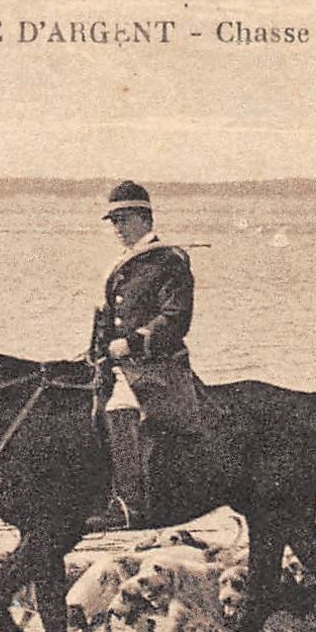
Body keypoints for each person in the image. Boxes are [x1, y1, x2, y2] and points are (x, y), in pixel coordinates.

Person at [85, 181, 204, 530]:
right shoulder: (124, 263)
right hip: (118, 366)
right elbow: (108, 316)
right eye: (114, 221)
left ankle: (130, 505)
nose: (118, 229)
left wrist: (133, 343)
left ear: (143, 218)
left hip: (158, 365)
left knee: (121, 408)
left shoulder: (169, 260)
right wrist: (96, 352)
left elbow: (175, 316)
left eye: (124, 220)